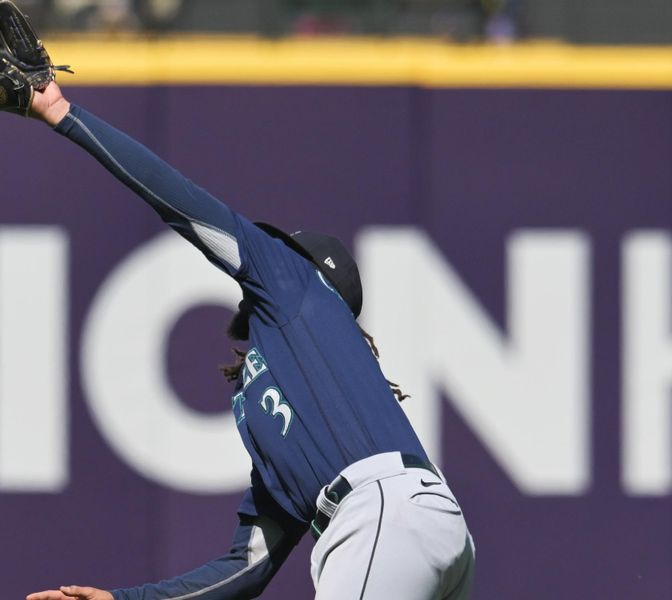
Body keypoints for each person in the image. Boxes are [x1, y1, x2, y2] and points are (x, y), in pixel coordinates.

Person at [24, 81, 475, 600]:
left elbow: (182, 203)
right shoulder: (283, 419)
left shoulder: (294, 285)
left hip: (381, 515)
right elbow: (248, 567)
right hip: (418, 529)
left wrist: (64, 114)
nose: (270, 255)